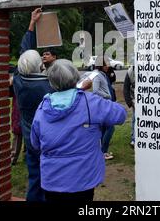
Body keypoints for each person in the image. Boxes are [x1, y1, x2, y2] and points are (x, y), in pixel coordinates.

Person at [30, 60, 126, 202]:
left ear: (51, 82)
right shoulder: (91, 102)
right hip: (83, 179)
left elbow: (35, 143)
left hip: (52, 179)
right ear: (76, 77)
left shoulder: (42, 107)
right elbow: (121, 114)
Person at [13, 50, 55, 201]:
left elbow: (21, 65)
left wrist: (31, 27)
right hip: (46, 139)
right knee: (49, 179)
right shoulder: (47, 86)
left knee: (34, 179)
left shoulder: (18, 81)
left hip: (29, 137)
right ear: (39, 65)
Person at [92, 56, 117, 160]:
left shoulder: (103, 75)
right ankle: (103, 152)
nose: (108, 66)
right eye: (106, 64)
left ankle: (101, 151)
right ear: (101, 65)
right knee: (110, 128)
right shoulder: (97, 75)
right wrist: (107, 95)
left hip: (106, 104)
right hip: (102, 105)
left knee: (103, 129)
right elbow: (95, 90)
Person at [20, 8, 58, 72]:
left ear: (54, 57)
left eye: (47, 54)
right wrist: (32, 21)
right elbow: (26, 54)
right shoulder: (35, 72)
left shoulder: (58, 72)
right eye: (43, 55)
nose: (44, 56)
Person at [123, 64, 135, 147]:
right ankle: (134, 139)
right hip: (136, 99)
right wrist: (130, 102)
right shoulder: (131, 71)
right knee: (136, 119)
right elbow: (126, 88)